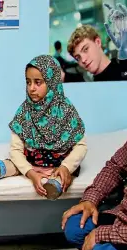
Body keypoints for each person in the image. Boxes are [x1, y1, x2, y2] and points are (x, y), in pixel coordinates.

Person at [61, 54, 127, 250]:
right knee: (74, 228)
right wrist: (90, 199)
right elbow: (115, 167)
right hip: (126, 215)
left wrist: (103, 234)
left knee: (98, 248)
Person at [8, 55, 87, 198]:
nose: (31, 88)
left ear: (52, 82)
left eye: (38, 82)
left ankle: (55, 183)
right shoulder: (24, 111)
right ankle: (10, 168)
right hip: (33, 161)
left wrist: (66, 167)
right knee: (17, 159)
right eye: (28, 82)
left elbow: (81, 146)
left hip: (60, 163)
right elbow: (15, 149)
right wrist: (31, 173)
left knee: (64, 175)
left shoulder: (66, 110)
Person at [67, 4, 127, 82]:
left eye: (85, 49)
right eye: (78, 58)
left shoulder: (122, 73)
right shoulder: (92, 87)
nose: (83, 60)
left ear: (98, 42)